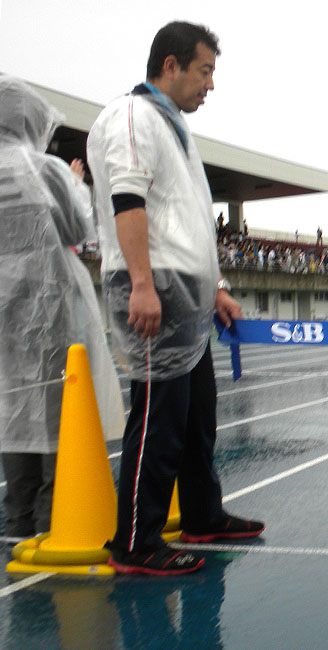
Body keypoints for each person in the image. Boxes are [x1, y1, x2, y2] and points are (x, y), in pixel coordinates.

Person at [87, 21, 264, 575]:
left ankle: (202, 514)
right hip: (154, 286)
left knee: (196, 414)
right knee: (158, 418)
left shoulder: (174, 128)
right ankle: (136, 541)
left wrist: (216, 289)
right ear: (171, 65)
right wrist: (141, 284)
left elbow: (186, 221)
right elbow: (128, 200)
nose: (210, 84)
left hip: (186, 291)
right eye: (204, 70)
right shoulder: (133, 116)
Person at [0, 75, 125, 540]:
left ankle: (17, 523)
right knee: (62, 412)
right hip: (50, 309)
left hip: (5, 319)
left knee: (15, 413)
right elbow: (77, 229)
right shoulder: (42, 169)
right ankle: (56, 521)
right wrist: (74, 183)